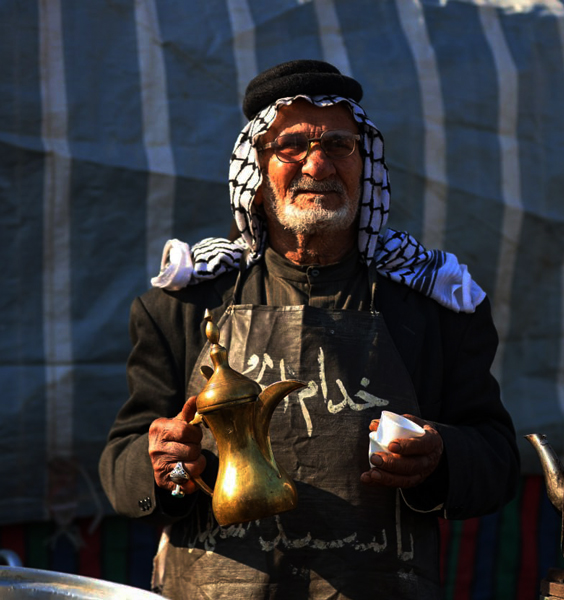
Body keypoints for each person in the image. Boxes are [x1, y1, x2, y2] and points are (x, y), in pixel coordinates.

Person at [99, 59, 520, 599]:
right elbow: (121, 463)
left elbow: (497, 459)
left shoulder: (435, 306)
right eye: (291, 146)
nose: (318, 166)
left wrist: (441, 458)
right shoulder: (181, 305)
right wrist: (160, 464)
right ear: (255, 167)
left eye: (339, 146)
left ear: (364, 163)